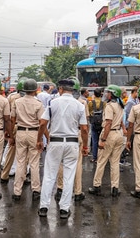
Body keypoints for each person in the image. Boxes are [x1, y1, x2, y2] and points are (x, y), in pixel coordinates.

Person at [37, 78, 89, 219]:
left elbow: (42, 124)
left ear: (60, 89)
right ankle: (64, 209)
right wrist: (85, 145)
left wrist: (39, 140)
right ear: (72, 90)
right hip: (72, 143)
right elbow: (84, 128)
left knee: (49, 175)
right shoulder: (79, 105)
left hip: (55, 142)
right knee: (69, 176)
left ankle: (43, 207)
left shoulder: (52, 103)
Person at [54, 78, 89, 202]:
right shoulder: (82, 103)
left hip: (60, 135)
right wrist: (86, 145)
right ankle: (78, 192)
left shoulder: (56, 101)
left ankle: (60, 189)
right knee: (77, 165)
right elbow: (85, 126)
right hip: (76, 135)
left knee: (61, 163)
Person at [88, 85, 126, 198]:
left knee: (101, 161)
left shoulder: (110, 106)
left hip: (109, 134)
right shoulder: (120, 106)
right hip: (118, 134)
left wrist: (103, 139)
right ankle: (115, 188)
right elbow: (120, 122)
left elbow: (108, 123)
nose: (106, 94)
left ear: (112, 94)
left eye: (108, 92)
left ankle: (97, 186)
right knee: (114, 163)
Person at [11, 79, 45, 201]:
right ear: (35, 90)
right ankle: (36, 190)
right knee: (34, 163)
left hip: (20, 132)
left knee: (20, 162)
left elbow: (12, 119)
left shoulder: (17, 102)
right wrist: (41, 138)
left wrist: (11, 135)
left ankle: (17, 191)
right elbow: (42, 123)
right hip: (34, 133)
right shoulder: (38, 104)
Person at [0, 78, 27, 183]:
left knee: (10, 148)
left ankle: (6, 170)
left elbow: (8, 115)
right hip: (26, 127)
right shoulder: (33, 99)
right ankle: (23, 173)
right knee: (25, 153)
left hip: (14, 125)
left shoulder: (11, 97)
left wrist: (8, 129)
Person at [88, 87, 105, 163]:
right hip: (101, 123)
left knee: (94, 140)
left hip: (94, 123)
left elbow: (88, 112)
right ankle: (102, 157)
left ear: (94, 94)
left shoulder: (91, 102)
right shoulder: (104, 102)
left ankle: (94, 157)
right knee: (102, 139)